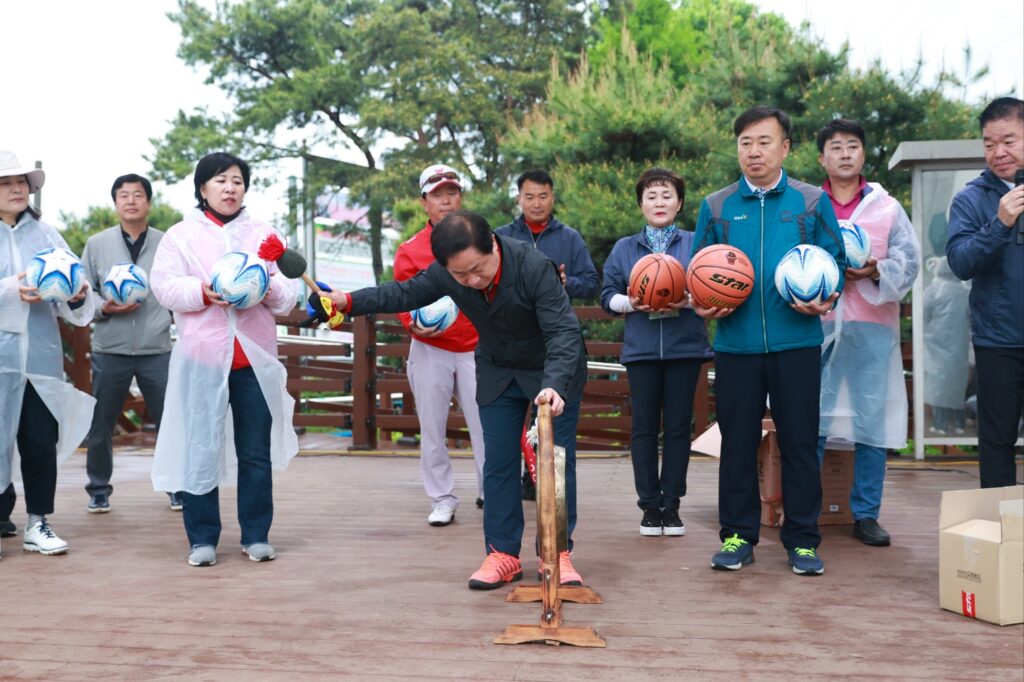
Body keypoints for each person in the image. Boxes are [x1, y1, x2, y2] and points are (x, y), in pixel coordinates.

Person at [319, 210, 588, 590]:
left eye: (478, 269)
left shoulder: (533, 267)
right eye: (461, 275)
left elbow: (563, 331)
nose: (472, 280)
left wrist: (555, 385)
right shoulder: (449, 272)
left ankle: (557, 553)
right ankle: (503, 553)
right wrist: (346, 300)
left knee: (554, 462)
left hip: (552, 369)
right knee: (497, 463)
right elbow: (402, 293)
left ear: (492, 244)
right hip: (497, 368)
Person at [690, 106, 846, 576]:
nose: (754, 151)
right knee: (737, 444)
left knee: (799, 443)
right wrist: (700, 303)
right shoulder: (717, 205)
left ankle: (802, 540)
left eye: (764, 141)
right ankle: (737, 536)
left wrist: (828, 296)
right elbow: (698, 269)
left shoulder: (812, 201)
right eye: (745, 143)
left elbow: (835, 261)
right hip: (736, 345)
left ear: (785, 147)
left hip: (797, 342)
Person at [149, 152, 299, 567]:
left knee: (255, 451)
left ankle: (256, 535)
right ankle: (201, 538)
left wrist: (265, 285)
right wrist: (201, 291)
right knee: (200, 447)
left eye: (237, 180)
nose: (230, 188)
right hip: (202, 358)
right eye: (220, 180)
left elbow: (288, 295)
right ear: (202, 188)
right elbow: (163, 286)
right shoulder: (180, 236)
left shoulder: (265, 235)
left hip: (254, 360)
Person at [814, 119, 921, 547]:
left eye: (852, 146)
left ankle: (866, 514)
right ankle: (805, 511)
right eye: (835, 146)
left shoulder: (887, 207)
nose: (844, 153)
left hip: (872, 328)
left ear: (863, 154)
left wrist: (876, 270)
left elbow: (908, 263)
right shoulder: (807, 205)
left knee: (871, 421)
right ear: (821, 157)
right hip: (816, 325)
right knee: (810, 420)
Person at [601, 167, 711, 536]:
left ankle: (672, 505)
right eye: (651, 196)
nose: (659, 202)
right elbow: (607, 296)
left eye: (667, 195)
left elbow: (710, 290)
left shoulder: (696, 244)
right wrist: (632, 303)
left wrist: (686, 299)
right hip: (642, 352)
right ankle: (649, 506)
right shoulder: (624, 248)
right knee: (644, 429)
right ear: (641, 204)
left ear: (679, 203)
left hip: (684, 349)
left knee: (678, 428)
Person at [0, 151, 96, 556]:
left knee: (40, 441)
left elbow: (78, 295)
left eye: (21, 181)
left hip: (40, 361)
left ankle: (38, 521)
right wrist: (10, 289)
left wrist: (77, 295)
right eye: (6, 182)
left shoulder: (48, 237)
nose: (17, 188)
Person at [80, 173, 181, 513]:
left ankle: (177, 487)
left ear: (148, 202)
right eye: (123, 195)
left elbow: (178, 288)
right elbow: (83, 292)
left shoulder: (167, 243)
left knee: (171, 422)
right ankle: (98, 490)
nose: (131, 201)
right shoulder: (97, 244)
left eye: (138, 194)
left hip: (157, 348)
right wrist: (103, 307)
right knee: (101, 424)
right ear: (115, 203)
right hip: (110, 348)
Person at [495, 169, 598, 501]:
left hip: (556, 343)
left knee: (554, 416)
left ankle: (555, 495)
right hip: (514, 343)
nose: (536, 203)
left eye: (543, 196)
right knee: (511, 418)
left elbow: (591, 283)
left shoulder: (570, 238)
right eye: (529, 196)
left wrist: (568, 283)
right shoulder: (501, 237)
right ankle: (524, 479)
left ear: (552, 197)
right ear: (519, 198)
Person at [393, 164, 486, 526]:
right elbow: (402, 298)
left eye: (452, 192)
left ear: (461, 197)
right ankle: (442, 498)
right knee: (432, 428)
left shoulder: (481, 238)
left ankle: (491, 492)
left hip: (477, 346)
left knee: (487, 425)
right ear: (424, 202)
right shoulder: (410, 250)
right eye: (437, 195)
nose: (446, 200)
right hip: (430, 348)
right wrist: (414, 323)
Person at [946, 96, 1024, 488]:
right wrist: (1000, 223)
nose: (999, 152)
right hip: (999, 341)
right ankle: (998, 522)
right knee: (997, 441)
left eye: (1009, 141)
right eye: (990, 144)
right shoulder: (971, 199)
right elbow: (960, 262)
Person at [923, 257, 970, 436]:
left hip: (935, 344)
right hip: (960, 346)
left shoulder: (933, 291)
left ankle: (940, 425)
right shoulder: (966, 292)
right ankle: (959, 424)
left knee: (939, 387)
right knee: (957, 387)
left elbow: (923, 317)